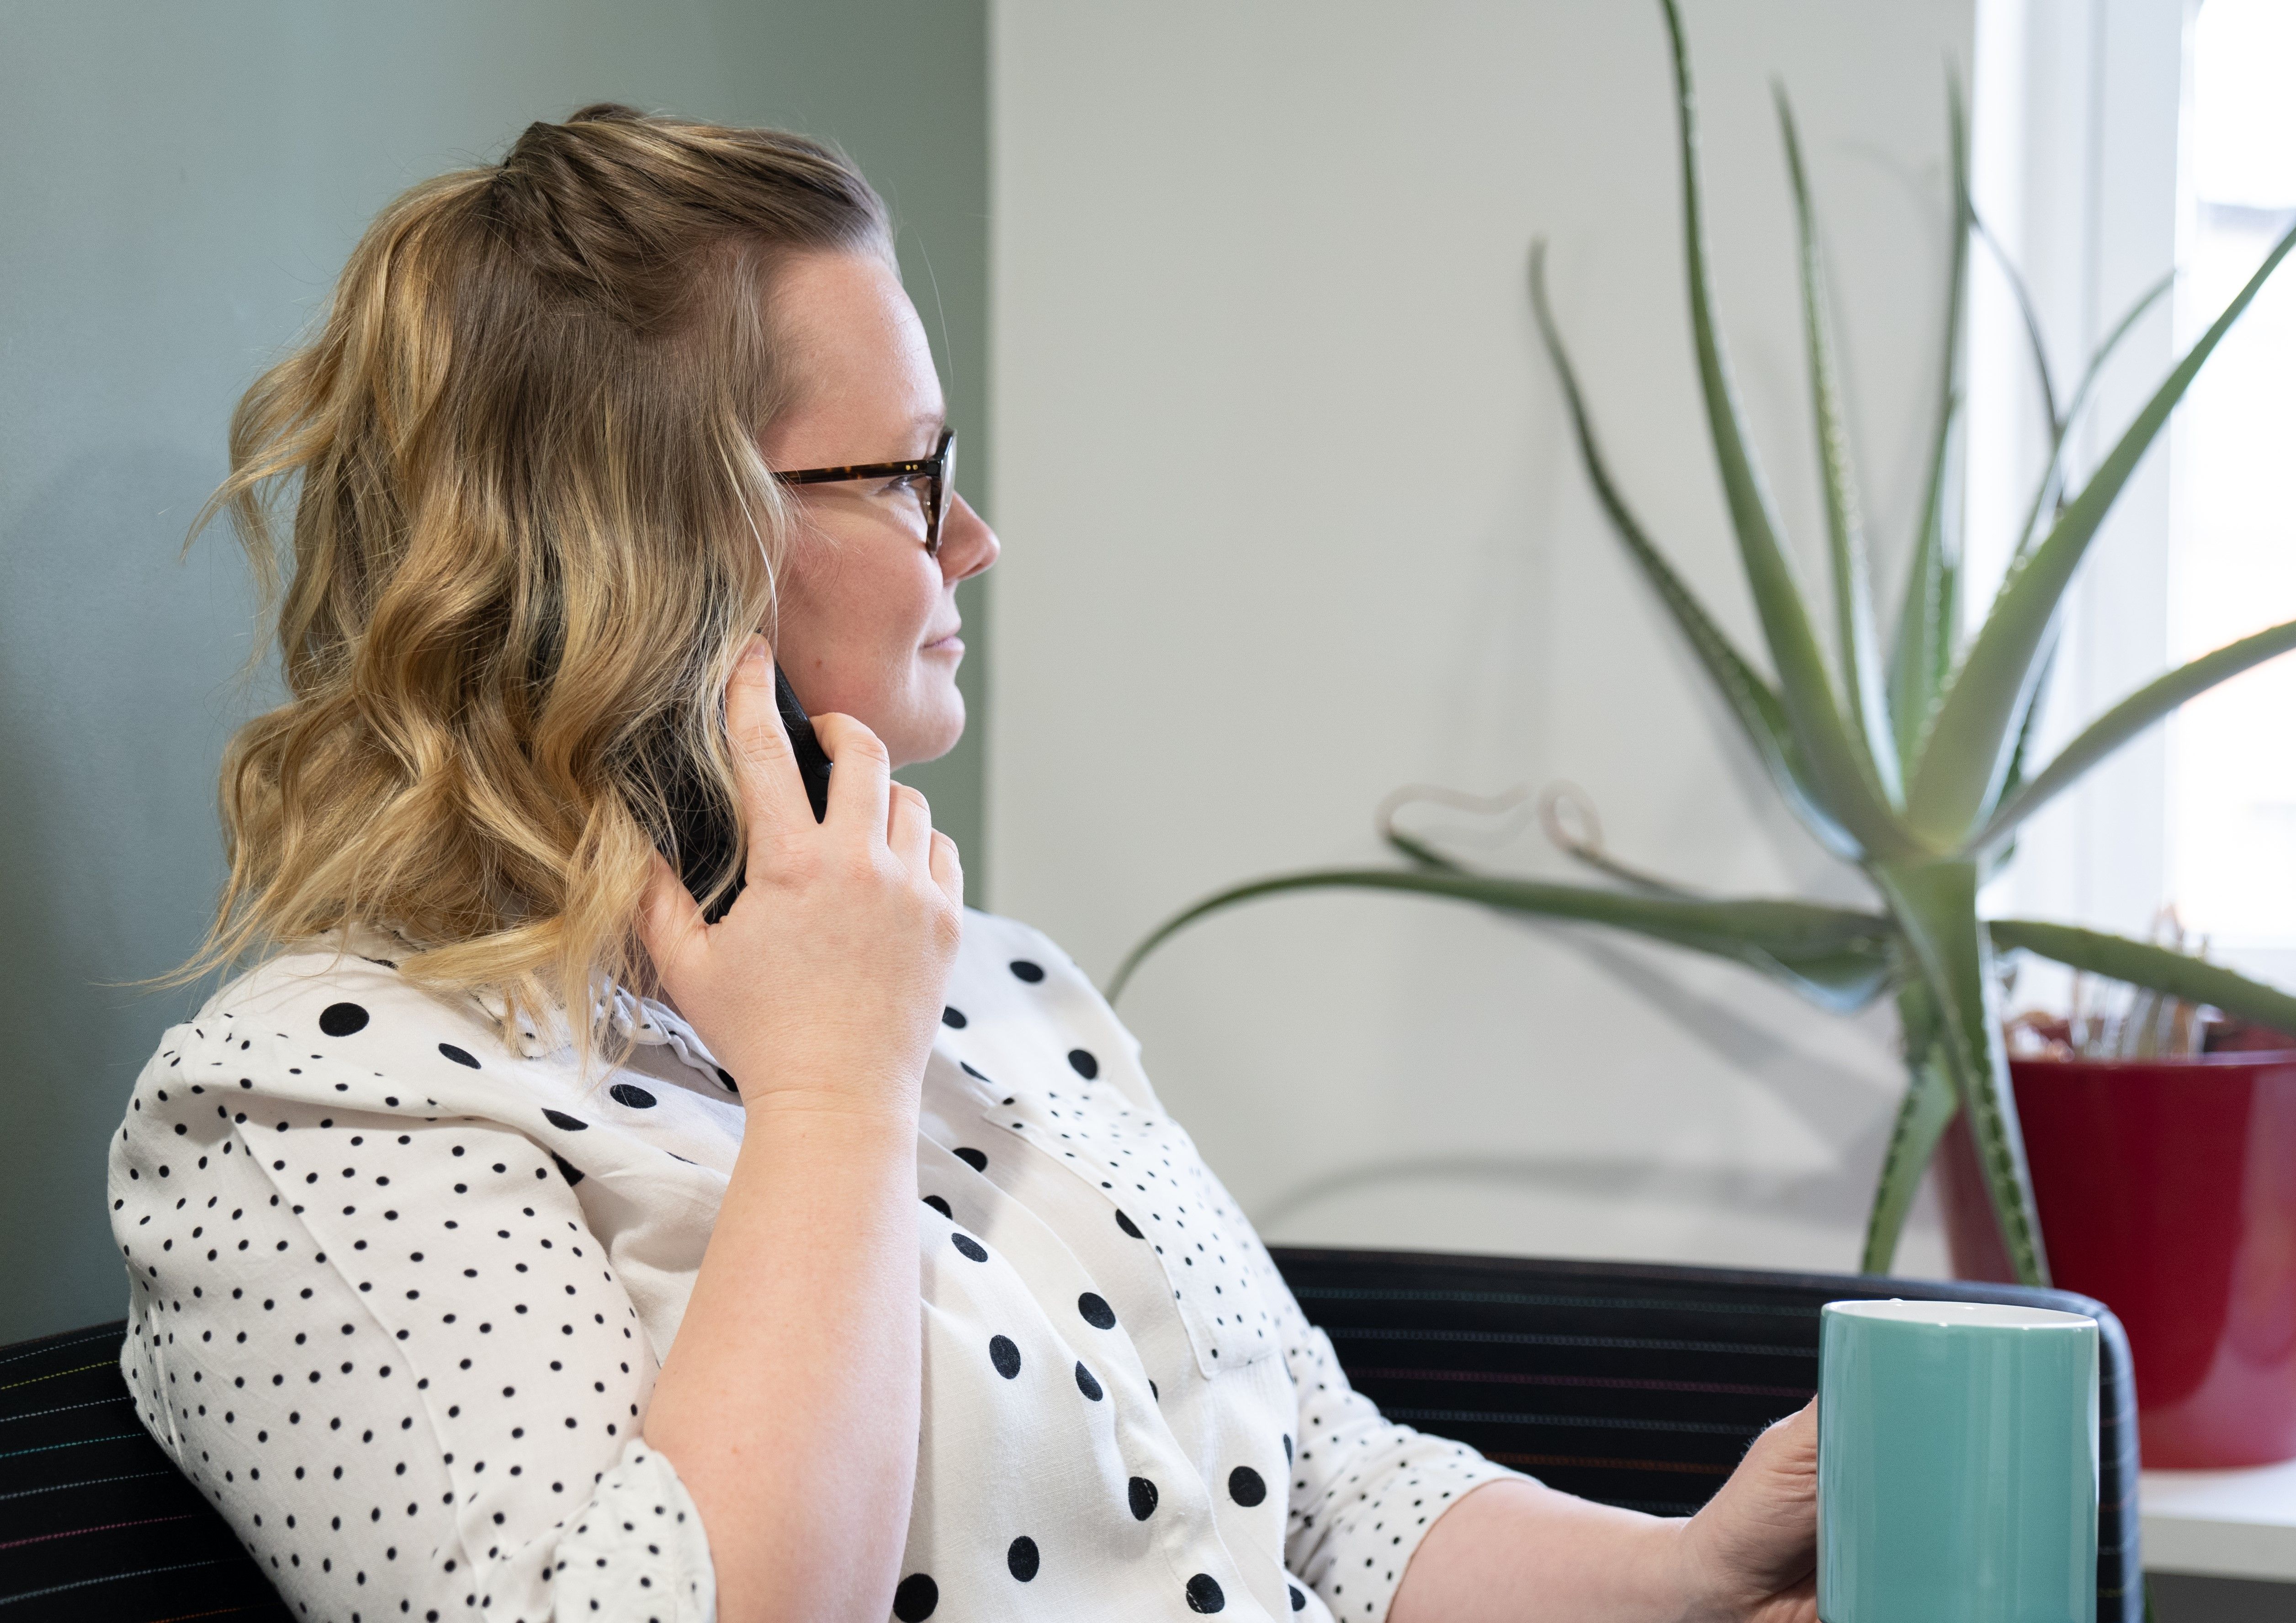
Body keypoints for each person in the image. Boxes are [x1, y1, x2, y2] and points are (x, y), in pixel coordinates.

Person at [110, 106, 1816, 1623]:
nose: (975, 540)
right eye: (912, 474)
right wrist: (834, 1089)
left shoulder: (984, 976)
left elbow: (1329, 1497)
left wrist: (1681, 1571)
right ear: (656, 552)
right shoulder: (308, 1110)